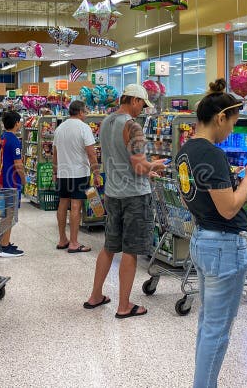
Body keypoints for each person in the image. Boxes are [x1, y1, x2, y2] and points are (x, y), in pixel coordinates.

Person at [174, 79, 247, 388]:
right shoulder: (211, 153)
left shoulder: (185, 149)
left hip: (202, 238)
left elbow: (194, 193)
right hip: (224, 245)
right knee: (218, 329)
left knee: (207, 323)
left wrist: (230, 178)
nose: (231, 132)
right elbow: (228, 208)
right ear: (221, 117)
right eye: (232, 123)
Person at [84, 84, 166, 318]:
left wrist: (144, 169)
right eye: (142, 104)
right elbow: (139, 166)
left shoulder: (106, 122)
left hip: (113, 193)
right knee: (130, 250)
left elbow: (117, 158)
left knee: (109, 246)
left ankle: (96, 296)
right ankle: (124, 305)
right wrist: (156, 165)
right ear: (134, 101)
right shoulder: (132, 125)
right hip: (134, 197)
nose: (142, 109)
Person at [53, 100, 99, 253]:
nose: (86, 114)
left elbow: (55, 153)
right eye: (85, 111)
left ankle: (62, 239)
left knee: (62, 204)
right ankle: (73, 243)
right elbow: (91, 153)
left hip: (63, 172)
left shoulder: (60, 128)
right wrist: (97, 172)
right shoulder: (84, 128)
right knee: (75, 205)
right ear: (80, 112)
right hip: (79, 172)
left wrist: (55, 172)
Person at [0, 111, 25, 258]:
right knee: (10, 213)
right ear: (16, 123)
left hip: (1, 179)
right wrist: (24, 179)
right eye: (19, 121)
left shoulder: (1, 138)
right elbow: (18, 165)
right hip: (11, 181)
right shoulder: (14, 140)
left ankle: (2, 241)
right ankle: (4, 247)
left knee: (6, 212)